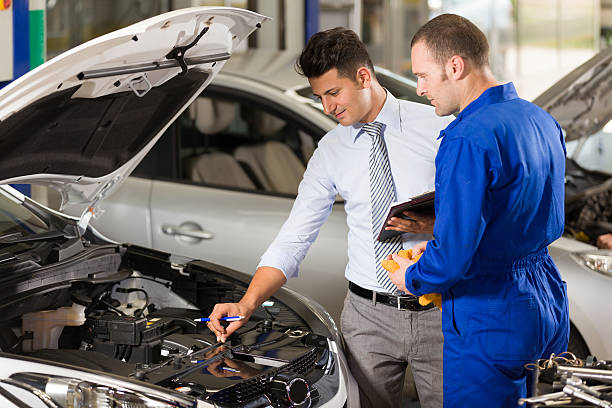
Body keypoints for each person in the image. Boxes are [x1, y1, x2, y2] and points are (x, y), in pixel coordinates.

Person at [207, 27, 452, 408]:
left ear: (363, 76)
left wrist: (437, 225)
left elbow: (479, 211)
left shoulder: (438, 128)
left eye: (333, 93)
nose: (327, 108)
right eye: (319, 97)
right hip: (366, 317)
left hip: (439, 308)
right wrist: (248, 303)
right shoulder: (330, 151)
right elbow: (295, 236)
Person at [388, 14, 570, 407]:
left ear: (455, 66)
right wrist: (444, 231)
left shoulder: (467, 137)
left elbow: (453, 259)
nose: (419, 89)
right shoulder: (539, 118)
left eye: (422, 75)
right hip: (546, 299)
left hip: (492, 310)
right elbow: (522, 213)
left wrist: (414, 274)